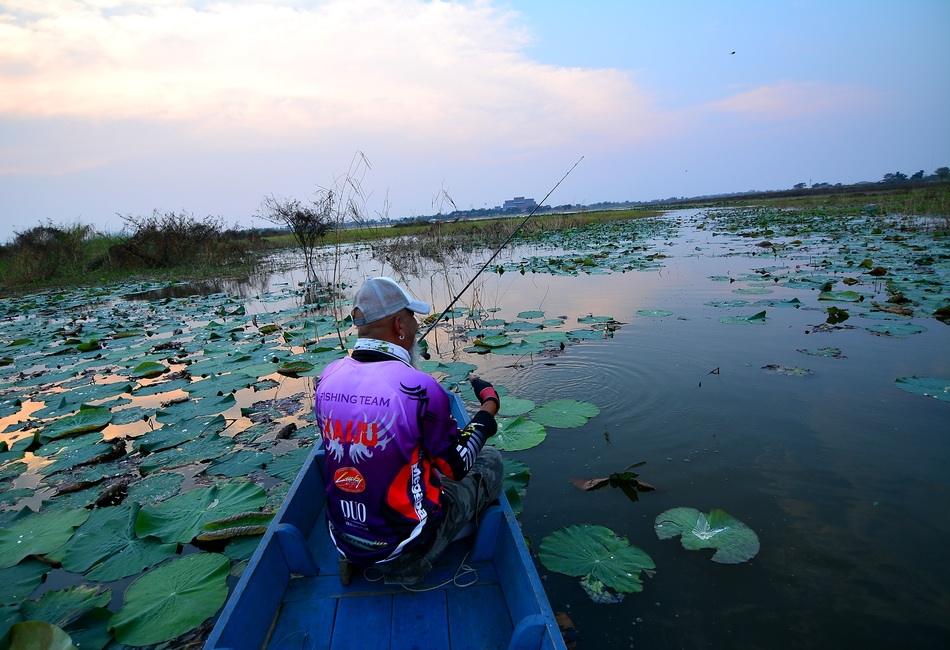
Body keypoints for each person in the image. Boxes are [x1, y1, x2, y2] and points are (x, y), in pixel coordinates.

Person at [314, 276, 503, 583]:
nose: (416, 326)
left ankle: (355, 554)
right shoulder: (420, 388)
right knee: (490, 461)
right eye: (412, 318)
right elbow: (456, 467)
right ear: (400, 326)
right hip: (406, 544)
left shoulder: (327, 377)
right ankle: (408, 563)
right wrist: (488, 409)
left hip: (343, 536)